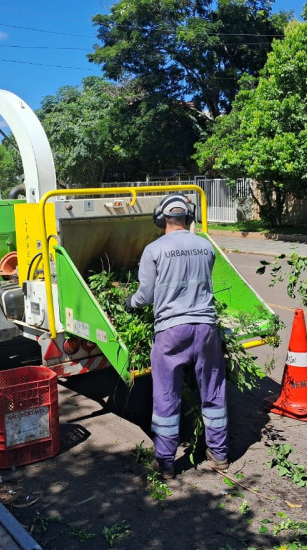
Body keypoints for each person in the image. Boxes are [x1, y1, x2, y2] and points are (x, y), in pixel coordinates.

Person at [124, 193, 229, 479]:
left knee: (167, 395)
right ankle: (219, 454)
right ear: (188, 216)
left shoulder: (153, 250)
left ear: (161, 218)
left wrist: (130, 302)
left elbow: (146, 296)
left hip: (171, 331)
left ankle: (166, 463)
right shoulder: (205, 246)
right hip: (206, 328)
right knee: (213, 390)